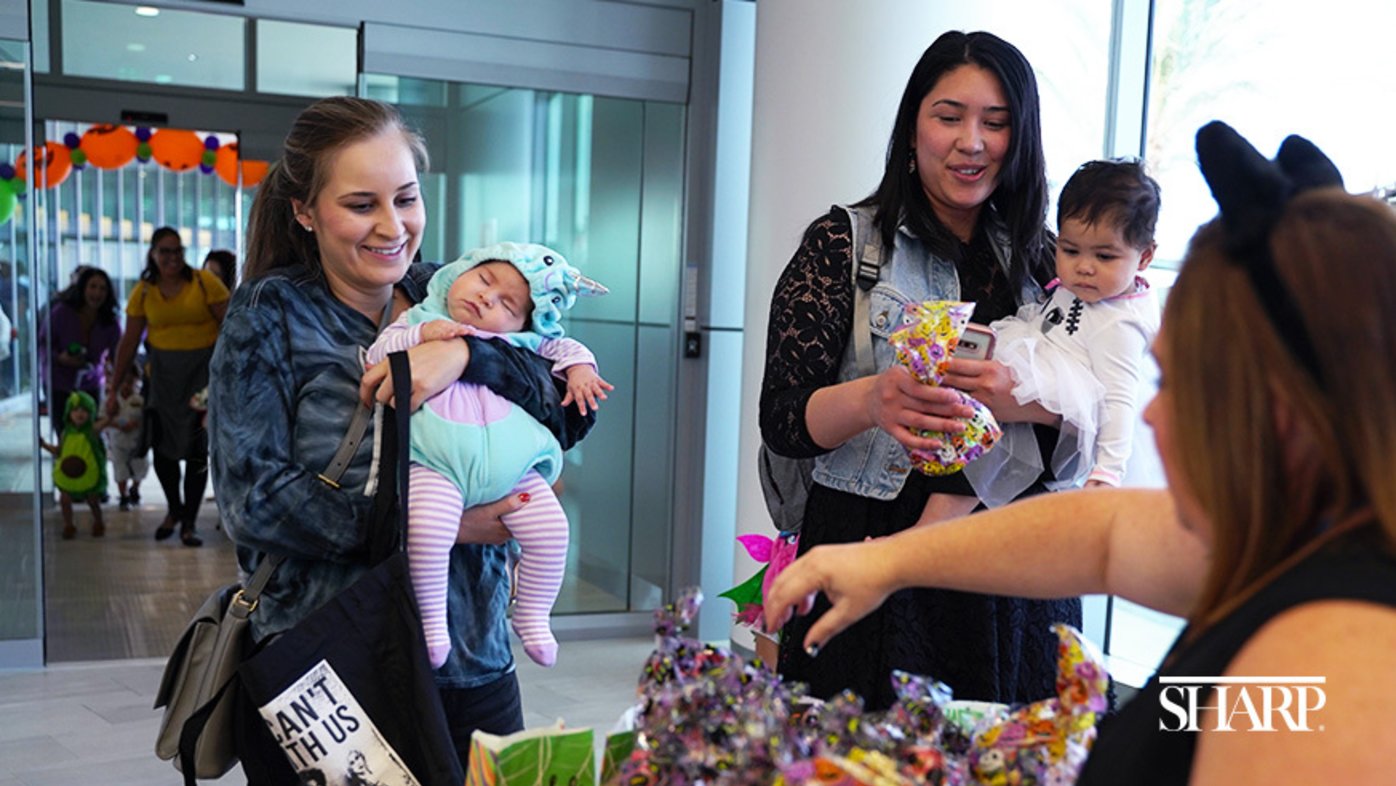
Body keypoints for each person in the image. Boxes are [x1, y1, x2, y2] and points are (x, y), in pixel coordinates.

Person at [765, 121, 1396, 783]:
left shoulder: (1327, 669)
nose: (1152, 412)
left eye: (1178, 383)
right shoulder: (1281, 545)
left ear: (1281, 411)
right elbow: (1106, 536)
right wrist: (888, 562)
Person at [210, 96, 595, 781]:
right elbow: (254, 500)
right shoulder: (272, 313)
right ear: (304, 211)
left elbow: (571, 411)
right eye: (362, 204)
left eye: (407, 198)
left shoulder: (458, 292)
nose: (393, 227)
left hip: (473, 654)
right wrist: (447, 527)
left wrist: (471, 357)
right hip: (330, 659)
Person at [759, 30, 1080, 710]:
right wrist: (875, 400)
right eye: (949, 116)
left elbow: (1095, 420)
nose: (973, 142)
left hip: (1015, 565)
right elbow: (784, 418)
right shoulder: (844, 243)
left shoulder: (1052, 261)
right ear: (912, 129)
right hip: (875, 550)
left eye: (997, 123)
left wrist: (1029, 403)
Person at [366, 242, 612, 669]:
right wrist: (423, 336)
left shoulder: (522, 342)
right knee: (427, 530)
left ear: (523, 321)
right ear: (460, 271)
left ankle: (533, 615)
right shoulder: (422, 317)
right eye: (483, 279)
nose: (486, 297)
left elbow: (565, 348)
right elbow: (377, 354)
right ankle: (431, 624)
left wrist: (581, 371)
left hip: (514, 469)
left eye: (507, 302)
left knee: (552, 530)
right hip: (436, 462)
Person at [929, 159, 1161, 517]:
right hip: (1036, 365)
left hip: (1059, 413)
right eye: (1070, 251)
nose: (1084, 267)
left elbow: (1120, 402)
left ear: (1144, 257)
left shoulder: (1120, 327)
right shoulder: (1089, 288)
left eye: (1104, 256)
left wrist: (1107, 471)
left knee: (980, 455)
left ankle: (924, 532)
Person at [108, 227, 229, 547]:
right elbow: (129, 341)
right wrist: (113, 389)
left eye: (177, 251)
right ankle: (173, 509)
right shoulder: (144, 291)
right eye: (165, 251)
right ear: (153, 253)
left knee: (195, 449)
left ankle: (189, 520)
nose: (172, 258)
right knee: (162, 447)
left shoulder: (205, 283)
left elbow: (232, 327)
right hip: (161, 377)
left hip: (201, 377)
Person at [39, 266, 120, 440]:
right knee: (66, 435)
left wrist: (116, 383)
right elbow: (43, 343)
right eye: (93, 286)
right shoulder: (61, 312)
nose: (97, 293)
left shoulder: (110, 322)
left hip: (91, 383)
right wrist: (60, 358)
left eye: (102, 288)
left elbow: (118, 355)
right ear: (83, 288)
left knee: (91, 434)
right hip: (59, 383)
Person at [40, 391, 108, 539]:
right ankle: (68, 525)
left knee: (93, 500)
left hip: (89, 473)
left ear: (91, 413)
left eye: (84, 410)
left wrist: (112, 411)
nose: (80, 413)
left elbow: (106, 421)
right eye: (75, 410)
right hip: (69, 474)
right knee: (64, 499)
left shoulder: (92, 430)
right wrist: (44, 445)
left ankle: (98, 522)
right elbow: (59, 451)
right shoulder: (66, 433)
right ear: (68, 413)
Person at [105, 363, 149, 511]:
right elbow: (102, 419)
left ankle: (135, 489)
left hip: (137, 442)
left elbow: (147, 420)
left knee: (140, 467)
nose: (126, 385)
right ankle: (123, 495)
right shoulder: (110, 401)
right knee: (120, 468)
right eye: (123, 381)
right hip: (118, 441)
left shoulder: (140, 400)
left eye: (130, 381)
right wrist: (117, 425)